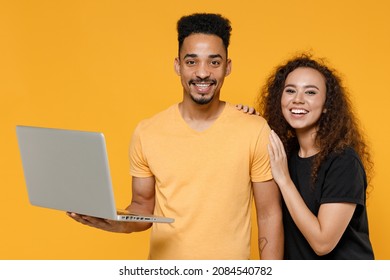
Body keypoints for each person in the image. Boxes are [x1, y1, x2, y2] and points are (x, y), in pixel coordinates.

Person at [68, 13, 283, 260]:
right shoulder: (147, 132)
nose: (203, 73)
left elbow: (269, 215)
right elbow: (141, 208)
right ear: (178, 66)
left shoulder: (253, 130)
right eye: (192, 62)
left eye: (214, 62)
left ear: (228, 67)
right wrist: (112, 221)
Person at [257, 54, 374, 259]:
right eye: (290, 90)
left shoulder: (344, 161)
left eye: (310, 92)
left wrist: (284, 181)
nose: (298, 99)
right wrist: (247, 120)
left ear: (327, 104)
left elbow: (323, 243)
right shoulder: (284, 153)